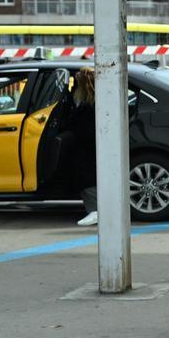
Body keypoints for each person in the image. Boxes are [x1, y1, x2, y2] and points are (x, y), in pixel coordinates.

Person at [66, 68, 99, 226]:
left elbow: (80, 129)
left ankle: (95, 210)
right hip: (91, 145)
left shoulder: (87, 107)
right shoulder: (92, 102)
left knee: (85, 172)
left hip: (87, 148)